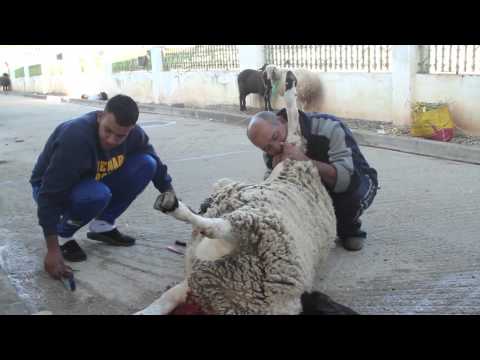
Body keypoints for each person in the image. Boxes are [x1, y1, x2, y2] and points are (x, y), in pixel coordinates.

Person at [30, 94, 178, 280]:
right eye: (107, 131)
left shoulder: (135, 135)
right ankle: (63, 235)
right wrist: (52, 249)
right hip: (48, 186)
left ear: (130, 130)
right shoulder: (75, 137)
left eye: (120, 136)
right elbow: (49, 194)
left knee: (147, 163)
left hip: (92, 179)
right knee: (96, 195)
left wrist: (168, 191)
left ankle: (103, 226)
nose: (111, 140)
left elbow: (153, 158)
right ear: (100, 116)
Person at [246, 109, 378, 251]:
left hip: (357, 178)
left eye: (275, 136)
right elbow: (273, 187)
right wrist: (277, 174)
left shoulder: (329, 127)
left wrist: (304, 160)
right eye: (268, 148)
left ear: (282, 120)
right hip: (319, 186)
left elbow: (348, 179)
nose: (277, 146)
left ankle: (349, 228)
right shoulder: (272, 153)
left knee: (350, 198)